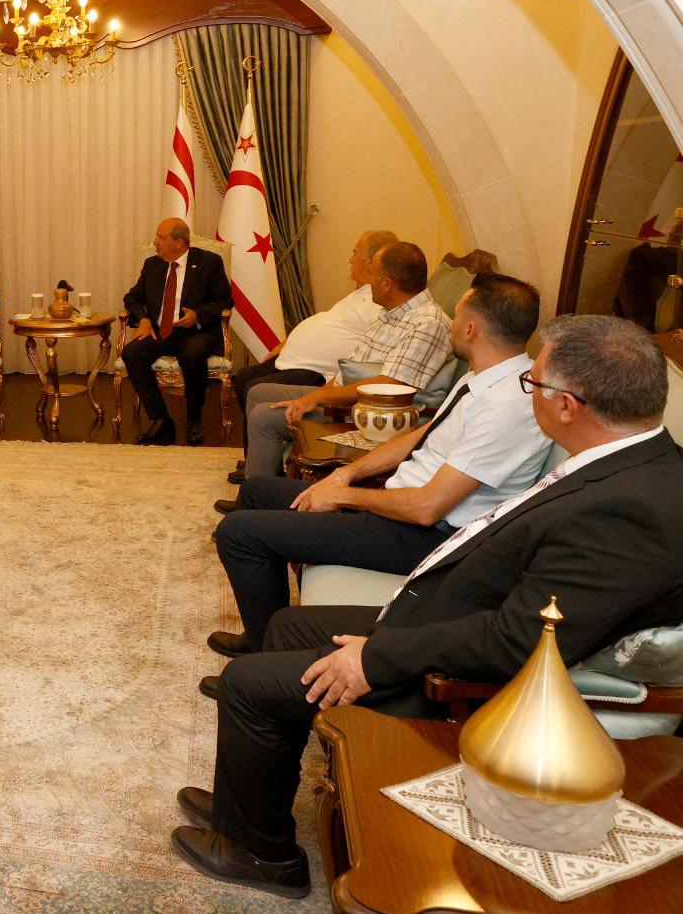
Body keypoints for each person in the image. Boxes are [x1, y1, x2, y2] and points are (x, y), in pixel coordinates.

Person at [172, 315, 683, 900]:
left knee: (249, 685)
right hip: (449, 615)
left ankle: (263, 857)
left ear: (567, 405)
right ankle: (248, 807)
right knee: (291, 625)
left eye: (534, 384)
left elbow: (518, 641)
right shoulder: (634, 467)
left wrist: (377, 658)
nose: (529, 394)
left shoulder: (628, 512)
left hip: (466, 675)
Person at [204, 274, 551, 665]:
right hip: (401, 507)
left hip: (429, 538)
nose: (451, 325)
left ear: (471, 329)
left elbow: (427, 508)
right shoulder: (484, 378)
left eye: (456, 317)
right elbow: (421, 435)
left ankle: (264, 660)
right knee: (257, 492)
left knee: (239, 533)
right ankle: (264, 634)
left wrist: (345, 496)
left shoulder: (507, 406)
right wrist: (347, 474)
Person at [240, 241, 451, 478]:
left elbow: (389, 386)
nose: (369, 283)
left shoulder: (427, 323)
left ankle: (262, 494)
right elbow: (348, 370)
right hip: (345, 400)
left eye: (372, 274)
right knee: (258, 392)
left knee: (264, 417)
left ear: (387, 284)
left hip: (365, 415)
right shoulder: (388, 314)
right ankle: (263, 474)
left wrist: (317, 398)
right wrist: (317, 396)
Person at [226, 230, 397, 473]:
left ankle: (265, 464)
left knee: (255, 387)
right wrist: (288, 343)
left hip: (316, 371)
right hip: (295, 360)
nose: (350, 259)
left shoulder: (378, 304)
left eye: (355, 253)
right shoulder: (361, 293)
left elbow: (369, 351)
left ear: (371, 262)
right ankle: (257, 456)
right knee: (244, 377)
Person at [120, 217, 233, 446]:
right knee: (132, 352)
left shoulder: (209, 262)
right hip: (160, 332)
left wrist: (197, 315)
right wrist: (143, 319)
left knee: (193, 354)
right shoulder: (152, 265)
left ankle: (194, 420)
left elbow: (224, 300)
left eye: (161, 237)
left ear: (179, 242)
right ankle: (160, 419)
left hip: (195, 332)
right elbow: (132, 298)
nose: (155, 242)